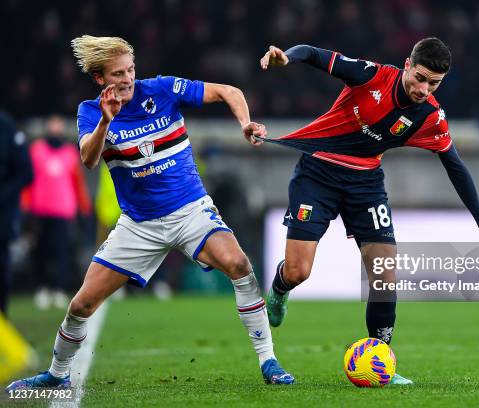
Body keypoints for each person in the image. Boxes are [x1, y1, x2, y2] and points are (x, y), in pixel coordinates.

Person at [6, 35, 293, 391]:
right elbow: (89, 159)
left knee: (239, 265)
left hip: (191, 211)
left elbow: (229, 91)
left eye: (130, 70)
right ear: (99, 79)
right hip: (138, 225)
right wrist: (105, 123)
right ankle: (57, 374)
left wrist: (245, 124)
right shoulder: (90, 112)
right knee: (81, 304)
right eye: (117, 74)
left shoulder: (162, 89)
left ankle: (269, 360)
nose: (127, 79)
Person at [259, 38, 479, 385]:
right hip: (318, 173)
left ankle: (379, 362)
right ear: (407, 64)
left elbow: (455, 165)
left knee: (384, 274)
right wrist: (287, 58)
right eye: (420, 78)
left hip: (365, 184)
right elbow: (316, 55)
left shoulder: (430, 117)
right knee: (299, 271)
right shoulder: (371, 76)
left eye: (433, 83)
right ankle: (280, 288)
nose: (423, 89)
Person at [21, 115, 92, 310]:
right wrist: (26, 206)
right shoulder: (36, 150)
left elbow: (77, 184)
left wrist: (83, 208)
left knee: (61, 251)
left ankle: (59, 288)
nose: (55, 129)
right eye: (52, 125)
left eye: (58, 125)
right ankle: (42, 288)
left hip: (63, 209)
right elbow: (28, 181)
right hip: (40, 209)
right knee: (41, 251)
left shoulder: (70, 153)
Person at [0, 111, 33, 317]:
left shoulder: (7, 127)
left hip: (3, 213)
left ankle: (2, 317)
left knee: (1, 263)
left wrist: (3, 196)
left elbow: (26, 173)